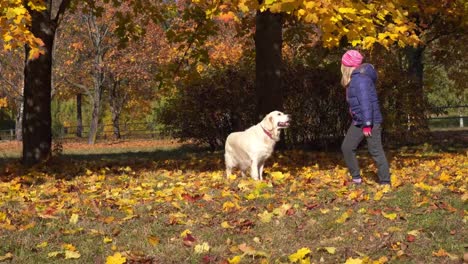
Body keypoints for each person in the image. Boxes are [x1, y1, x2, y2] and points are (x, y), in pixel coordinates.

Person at [340, 50, 391, 185]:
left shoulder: (360, 79)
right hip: (359, 120)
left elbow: (366, 103)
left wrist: (367, 124)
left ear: (347, 65)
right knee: (347, 147)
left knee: (375, 150)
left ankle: (385, 181)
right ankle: (356, 178)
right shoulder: (356, 78)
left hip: (370, 121)